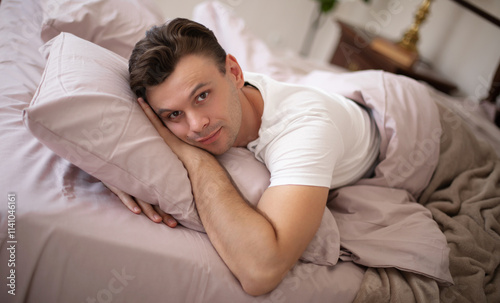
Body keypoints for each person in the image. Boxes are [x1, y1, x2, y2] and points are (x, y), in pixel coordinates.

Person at [107, 17, 380, 296]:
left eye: (202, 96)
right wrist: (120, 170)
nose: (196, 125)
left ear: (235, 73)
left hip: (386, 122)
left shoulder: (305, 132)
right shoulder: (200, 111)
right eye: (175, 114)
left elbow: (261, 271)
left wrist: (196, 158)